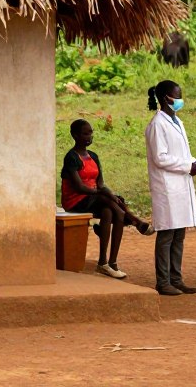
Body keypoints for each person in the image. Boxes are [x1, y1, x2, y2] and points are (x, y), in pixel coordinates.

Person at [60, 119, 154, 279]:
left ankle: (107, 262)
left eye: (91, 132)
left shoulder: (93, 156)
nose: (89, 136)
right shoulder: (71, 157)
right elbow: (78, 187)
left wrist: (110, 195)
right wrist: (101, 194)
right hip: (75, 201)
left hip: (94, 198)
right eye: (85, 133)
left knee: (110, 210)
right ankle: (135, 220)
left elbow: (100, 184)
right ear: (74, 135)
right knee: (115, 208)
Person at [145, 80, 196, 296]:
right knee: (167, 234)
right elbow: (160, 158)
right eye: (177, 96)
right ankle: (163, 281)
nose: (180, 99)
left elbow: (179, 152)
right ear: (165, 99)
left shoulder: (176, 121)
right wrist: (187, 166)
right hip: (166, 186)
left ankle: (176, 279)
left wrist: (194, 162)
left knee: (179, 233)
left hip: (180, 182)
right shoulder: (157, 125)